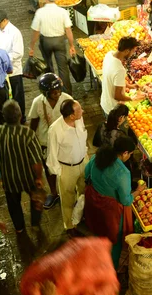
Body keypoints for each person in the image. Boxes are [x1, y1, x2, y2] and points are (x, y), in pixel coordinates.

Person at [84, 137, 145, 268]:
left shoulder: (98, 156)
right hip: (109, 209)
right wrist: (138, 191)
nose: (129, 157)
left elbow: (86, 172)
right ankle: (111, 268)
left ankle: (97, 251)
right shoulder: (122, 172)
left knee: (97, 228)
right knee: (114, 239)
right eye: (130, 154)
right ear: (125, 153)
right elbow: (126, 200)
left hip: (93, 200)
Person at [0, 100, 44, 233]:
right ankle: (35, 223)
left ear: (4, 116)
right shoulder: (28, 134)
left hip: (9, 178)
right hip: (28, 177)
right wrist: (38, 177)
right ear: (20, 116)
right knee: (35, 199)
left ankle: (19, 228)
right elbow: (36, 160)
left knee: (13, 204)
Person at [29, 73, 73, 209]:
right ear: (46, 92)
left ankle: (69, 192)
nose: (58, 93)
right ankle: (54, 193)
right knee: (49, 170)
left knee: (66, 168)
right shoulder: (37, 102)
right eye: (54, 92)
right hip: (45, 143)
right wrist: (32, 141)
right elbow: (34, 123)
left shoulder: (67, 100)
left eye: (59, 89)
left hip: (64, 142)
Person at [47, 99, 87, 233]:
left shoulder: (79, 120)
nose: (82, 111)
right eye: (79, 110)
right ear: (71, 116)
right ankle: (70, 225)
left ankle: (82, 217)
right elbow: (51, 154)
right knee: (67, 199)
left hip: (83, 162)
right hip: (67, 168)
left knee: (84, 193)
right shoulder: (55, 130)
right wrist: (60, 173)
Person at [29, 0, 75, 95]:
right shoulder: (63, 12)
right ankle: (67, 93)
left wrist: (32, 46)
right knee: (63, 68)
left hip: (46, 41)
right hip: (60, 41)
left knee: (48, 65)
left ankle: (50, 89)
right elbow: (68, 30)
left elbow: (35, 31)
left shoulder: (40, 12)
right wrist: (72, 45)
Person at [0, 9, 25, 120]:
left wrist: (1, 58)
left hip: (13, 71)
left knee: (17, 97)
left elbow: (18, 53)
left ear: (5, 20)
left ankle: (20, 119)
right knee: (3, 97)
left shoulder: (15, 32)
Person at [100, 36, 142, 116]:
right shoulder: (119, 69)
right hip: (113, 109)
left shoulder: (109, 55)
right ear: (126, 51)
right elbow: (117, 96)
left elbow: (114, 80)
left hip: (105, 101)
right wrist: (132, 98)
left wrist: (130, 86)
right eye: (133, 51)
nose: (133, 54)